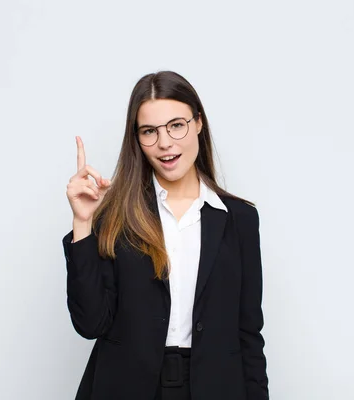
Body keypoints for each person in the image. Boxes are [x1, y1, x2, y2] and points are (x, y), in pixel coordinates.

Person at [62, 71, 269, 400]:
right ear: (137, 139)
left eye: (176, 125)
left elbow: (248, 334)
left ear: (198, 123)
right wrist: (84, 223)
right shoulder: (117, 216)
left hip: (213, 387)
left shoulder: (240, 220)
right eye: (149, 131)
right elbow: (90, 323)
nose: (164, 143)